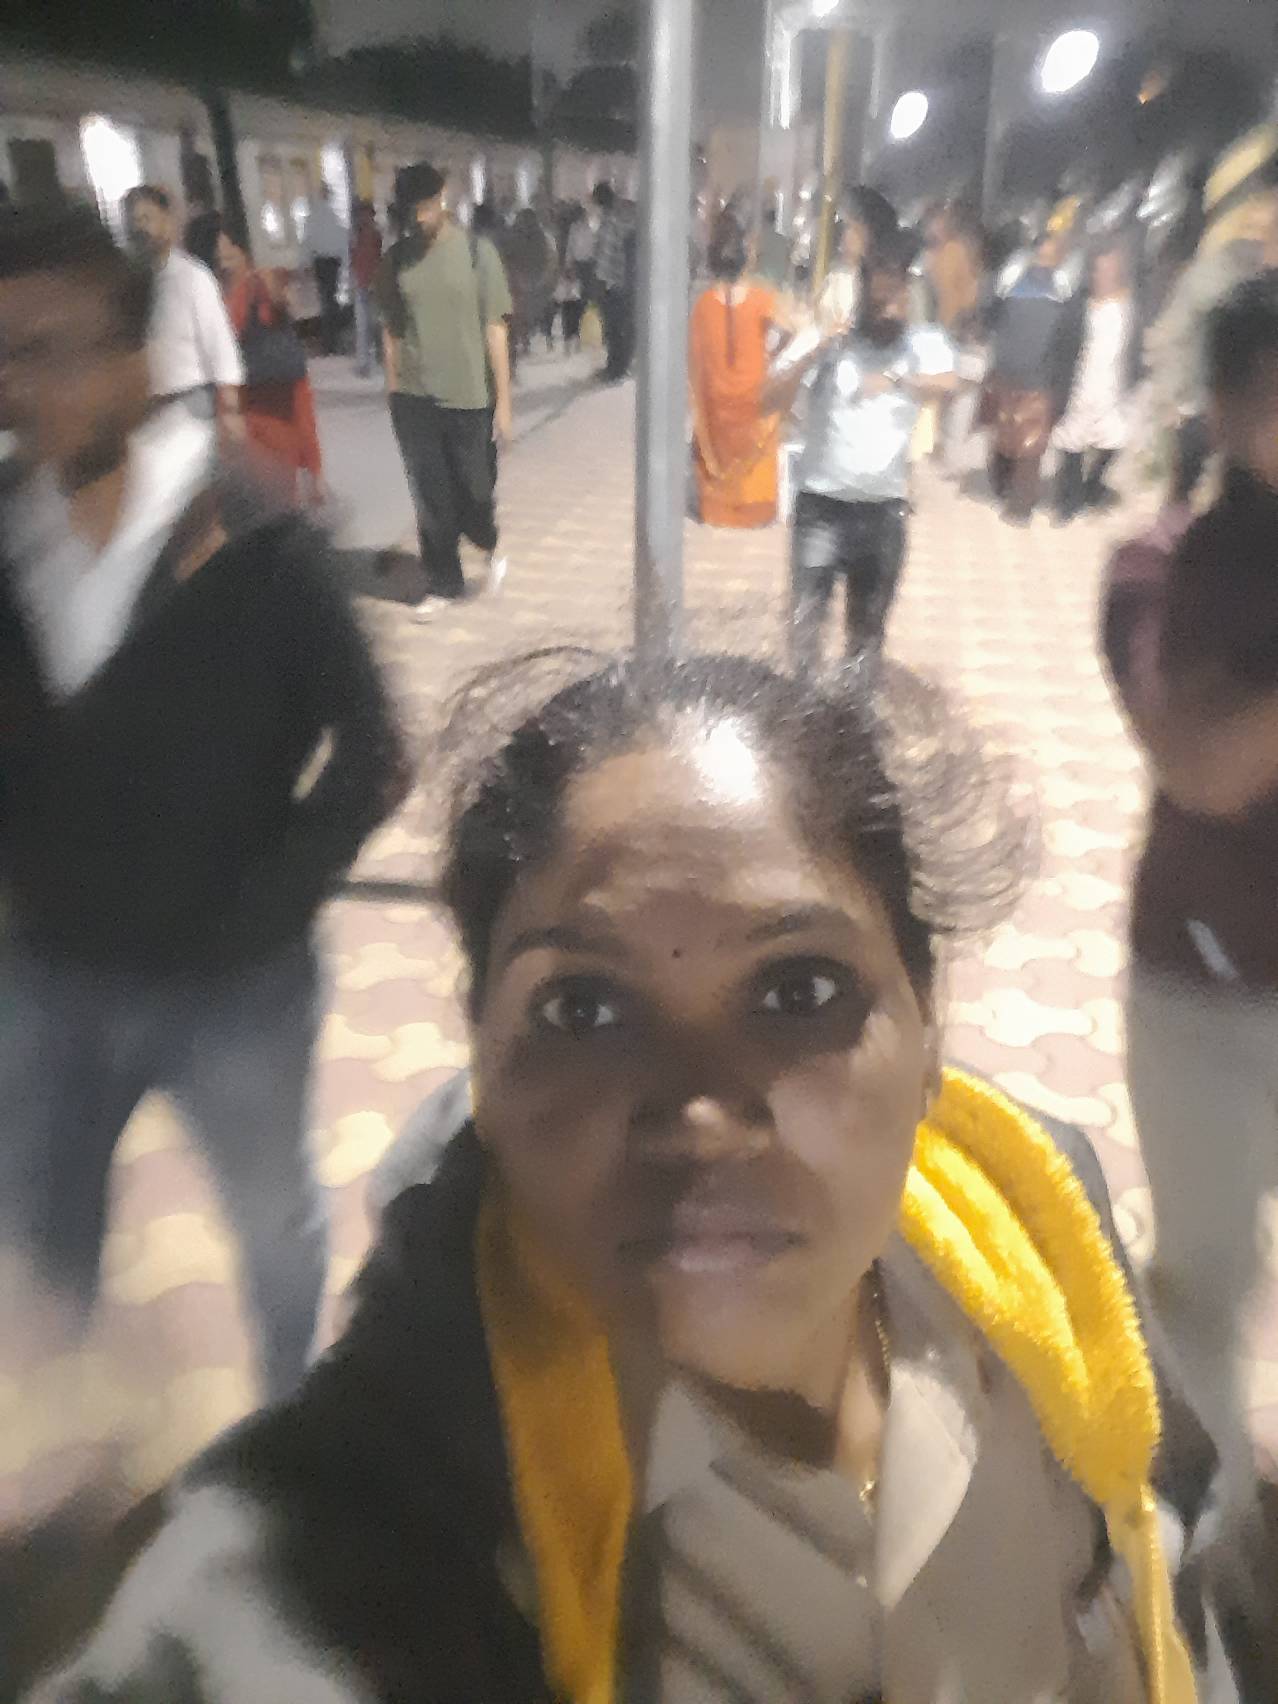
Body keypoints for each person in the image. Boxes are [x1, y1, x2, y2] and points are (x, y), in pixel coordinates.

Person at [32, 645, 1215, 1701]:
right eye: (585, 1009)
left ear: (928, 1032)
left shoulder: (1037, 1223)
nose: (697, 1117)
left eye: (798, 990)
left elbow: (1181, 1530)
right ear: (485, 1057)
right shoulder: (364, 1547)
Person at [0, 201, 407, 1405]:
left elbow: (376, 751)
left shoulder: (255, 535)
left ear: (136, 363)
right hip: (51, 984)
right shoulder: (7, 537)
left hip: (236, 995)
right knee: (46, 1227)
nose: (18, 389)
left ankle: (293, 1426)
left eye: (47, 350)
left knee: (274, 1231)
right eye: (1, 356)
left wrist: (268, 908)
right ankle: (73, 1446)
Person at [1103, 269, 1278, 1692]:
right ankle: (1208, 1559)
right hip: (1209, 997)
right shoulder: (1157, 568)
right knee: (1204, 1287)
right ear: (1225, 412)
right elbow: (1205, 766)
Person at [766, 228, 956, 673]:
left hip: (883, 515)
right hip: (821, 510)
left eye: (898, 297)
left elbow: (951, 383)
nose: (890, 308)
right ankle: (803, 707)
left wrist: (897, 379)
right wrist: (817, 349)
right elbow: (768, 398)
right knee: (805, 631)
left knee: (867, 639)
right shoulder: (829, 342)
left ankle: (856, 711)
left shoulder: (921, 344)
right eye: (881, 298)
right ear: (863, 295)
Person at [376, 161, 513, 622]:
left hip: (468, 395)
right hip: (415, 396)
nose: (419, 218)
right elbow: (392, 329)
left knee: (475, 491)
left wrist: (504, 405)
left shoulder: (477, 253)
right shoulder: (396, 260)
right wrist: (393, 388)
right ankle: (443, 581)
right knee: (431, 497)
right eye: (411, 210)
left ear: (443, 198)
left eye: (426, 207)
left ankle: (488, 542)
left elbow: (495, 329)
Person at [1146, 125, 1278, 507]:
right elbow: (1173, 333)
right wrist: (1173, 400)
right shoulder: (1219, 272)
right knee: (1192, 492)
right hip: (1206, 412)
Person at [123, 184, 244, 443]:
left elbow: (219, 342)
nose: (140, 228)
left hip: (190, 403)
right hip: (149, 409)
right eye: (135, 221)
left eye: (147, 218)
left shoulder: (192, 277)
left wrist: (230, 407)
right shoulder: (132, 285)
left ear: (167, 222)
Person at [216, 222, 325, 507]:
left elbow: (235, 332)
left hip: (268, 390)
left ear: (243, 250)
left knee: (276, 459)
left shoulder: (250, 287)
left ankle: (291, 502)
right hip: (269, 386)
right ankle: (303, 491)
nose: (224, 257)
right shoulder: (241, 287)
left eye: (228, 249)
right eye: (220, 251)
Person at [688, 213, 783, 528]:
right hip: (753, 403)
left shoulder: (703, 305)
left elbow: (697, 364)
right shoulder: (762, 299)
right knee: (770, 420)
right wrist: (775, 355)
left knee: (712, 445)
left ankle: (717, 508)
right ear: (747, 258)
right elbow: (796, 328)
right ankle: (753, 509)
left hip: (716, 407)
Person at [982, 228, 1080, 526]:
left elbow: (1070, 344)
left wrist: (1062, 387)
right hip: (1006, 375)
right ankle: (1002, 486)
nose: (1044, 262)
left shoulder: (1065, 293)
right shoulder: (1010, 282)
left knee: (1031, 447)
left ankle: (1021, 507)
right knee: (1004, 438)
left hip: (1041, 381)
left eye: (1051, 256)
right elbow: (989, 319)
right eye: (1041, 255)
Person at [815, 186, 899, 337]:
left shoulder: (888, 285)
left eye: (854, 229)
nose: (846, 237)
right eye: (846, 228)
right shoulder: (837, 280)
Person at [505, 206, 558, 360]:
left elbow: (509, 258)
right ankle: (530, 339)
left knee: (522, 313)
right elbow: (551, 258)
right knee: (528, 313)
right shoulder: (543, 237)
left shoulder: (515, 237)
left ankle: (525, 340)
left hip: (523, 281)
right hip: (534, 281)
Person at [593, 182, 633, 383]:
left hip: (615, 281)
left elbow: (608, 253)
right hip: (621, 280)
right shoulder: (621, 214)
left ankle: (616, 369)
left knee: (615, 328)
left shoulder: (613, 218)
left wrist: (601, 280)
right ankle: (617, 366)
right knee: (618, 327)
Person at [302, 183, 348, 357]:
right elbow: (342, 239)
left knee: (325, 301)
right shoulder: (334, 215)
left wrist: (304, 263)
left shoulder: (314, 215)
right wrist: (345, 261)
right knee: (331, 300)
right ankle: (334, 341)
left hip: (320, 262)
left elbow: (308, 240)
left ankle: (329, 343)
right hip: (334, 262)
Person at [349, 199, 384, 379]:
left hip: (367, 284)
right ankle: (374, 359)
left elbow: (356, 260)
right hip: (367, 284)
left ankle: (367, 362)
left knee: (366, 325)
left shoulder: (363, 236)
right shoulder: (371, 235)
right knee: (371, 324)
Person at [755, 202, 790, 289]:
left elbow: (754, 257)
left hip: (762, 281)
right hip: (777, 280)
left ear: (764, 220)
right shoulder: (783, 240)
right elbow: (787, 261)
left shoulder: (760, 238)